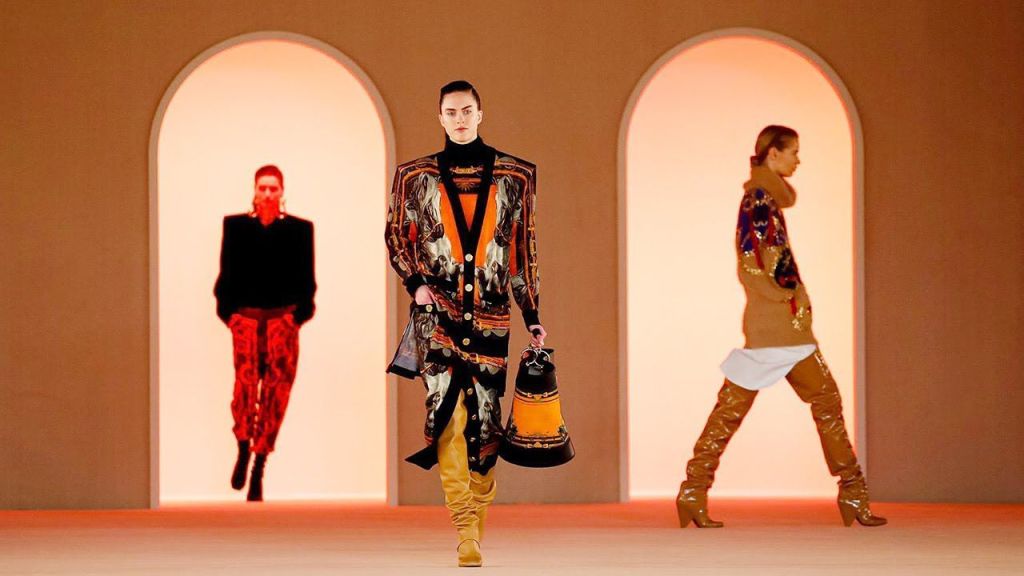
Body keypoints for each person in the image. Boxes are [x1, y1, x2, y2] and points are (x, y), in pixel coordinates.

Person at [676, 126, 886, 528]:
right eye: (793, 152)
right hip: (782, 325)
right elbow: (759, 262)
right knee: (825, 403)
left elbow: (757, 262)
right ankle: (853, 493)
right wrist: (790, 296)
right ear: (773, 154)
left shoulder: (762, 198)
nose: (798, 160)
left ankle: (692, 490)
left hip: (772, 322)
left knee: (733, 407)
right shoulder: (759, 200)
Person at [385, 80, 545, 567]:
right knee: (448, 418)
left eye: (467, 110)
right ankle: (464, 528)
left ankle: (477, 517)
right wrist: (416, 283)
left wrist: (532, 314)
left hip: (493, 317)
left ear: (480, 113)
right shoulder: (414, 176)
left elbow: (522, 249)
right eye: (451, 112)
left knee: (486, 423)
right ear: (440, 117)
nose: (459, 119)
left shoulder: (515, 176)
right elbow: (396, 235)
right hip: (438, 316)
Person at [213, 164, 316, 502]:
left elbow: (307, 280)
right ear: (254, 191)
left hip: (282, 321)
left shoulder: (299, 230)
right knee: (244, 388)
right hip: (246, 319)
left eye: (273, 188)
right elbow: (226, 273)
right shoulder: (236, 227)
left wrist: (296, 317)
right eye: (263, 188)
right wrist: (228, 313)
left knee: (276, 393)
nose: (268, 194)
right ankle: (243, 446)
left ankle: (259, 462)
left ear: (281, 192)